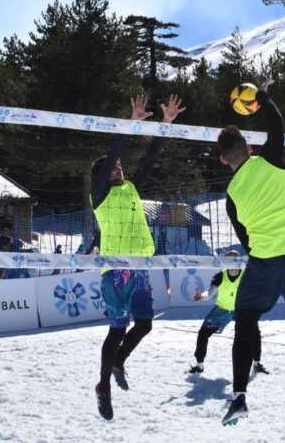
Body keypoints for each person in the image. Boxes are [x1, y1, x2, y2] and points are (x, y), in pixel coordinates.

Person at [217, 78, 285, 426]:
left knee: (245, 322)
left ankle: (240, 397)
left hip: (266, 262)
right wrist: (260, 94)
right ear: (247, 144)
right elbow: (276, 123)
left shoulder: (230, 195)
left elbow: (245, 241)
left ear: (222, 160)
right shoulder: (270, 159)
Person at [92, 93, 186, 420]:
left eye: (118, 165)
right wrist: (130, 125)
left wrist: (164, 125)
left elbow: (149, 160)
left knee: (144, 325)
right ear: (101, 176)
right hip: (115, 270)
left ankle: (118, 362)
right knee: (117, 329)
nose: (117, 166)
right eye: (111, 166)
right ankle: (103, 384)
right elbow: (115, 153)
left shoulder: (130, 188)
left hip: (141, 267)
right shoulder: (99, 195)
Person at [187, 250, 269, 376]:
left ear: (239, 261)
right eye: (229, 260)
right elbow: (209, 293)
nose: (232, 262)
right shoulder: (220, 275)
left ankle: (257, 363)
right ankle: (199, 365)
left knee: (255, 333)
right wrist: (202, 296)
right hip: (222, 310)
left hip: (241, 310)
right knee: (203, 334)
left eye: (235, 259)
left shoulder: (246, 275)